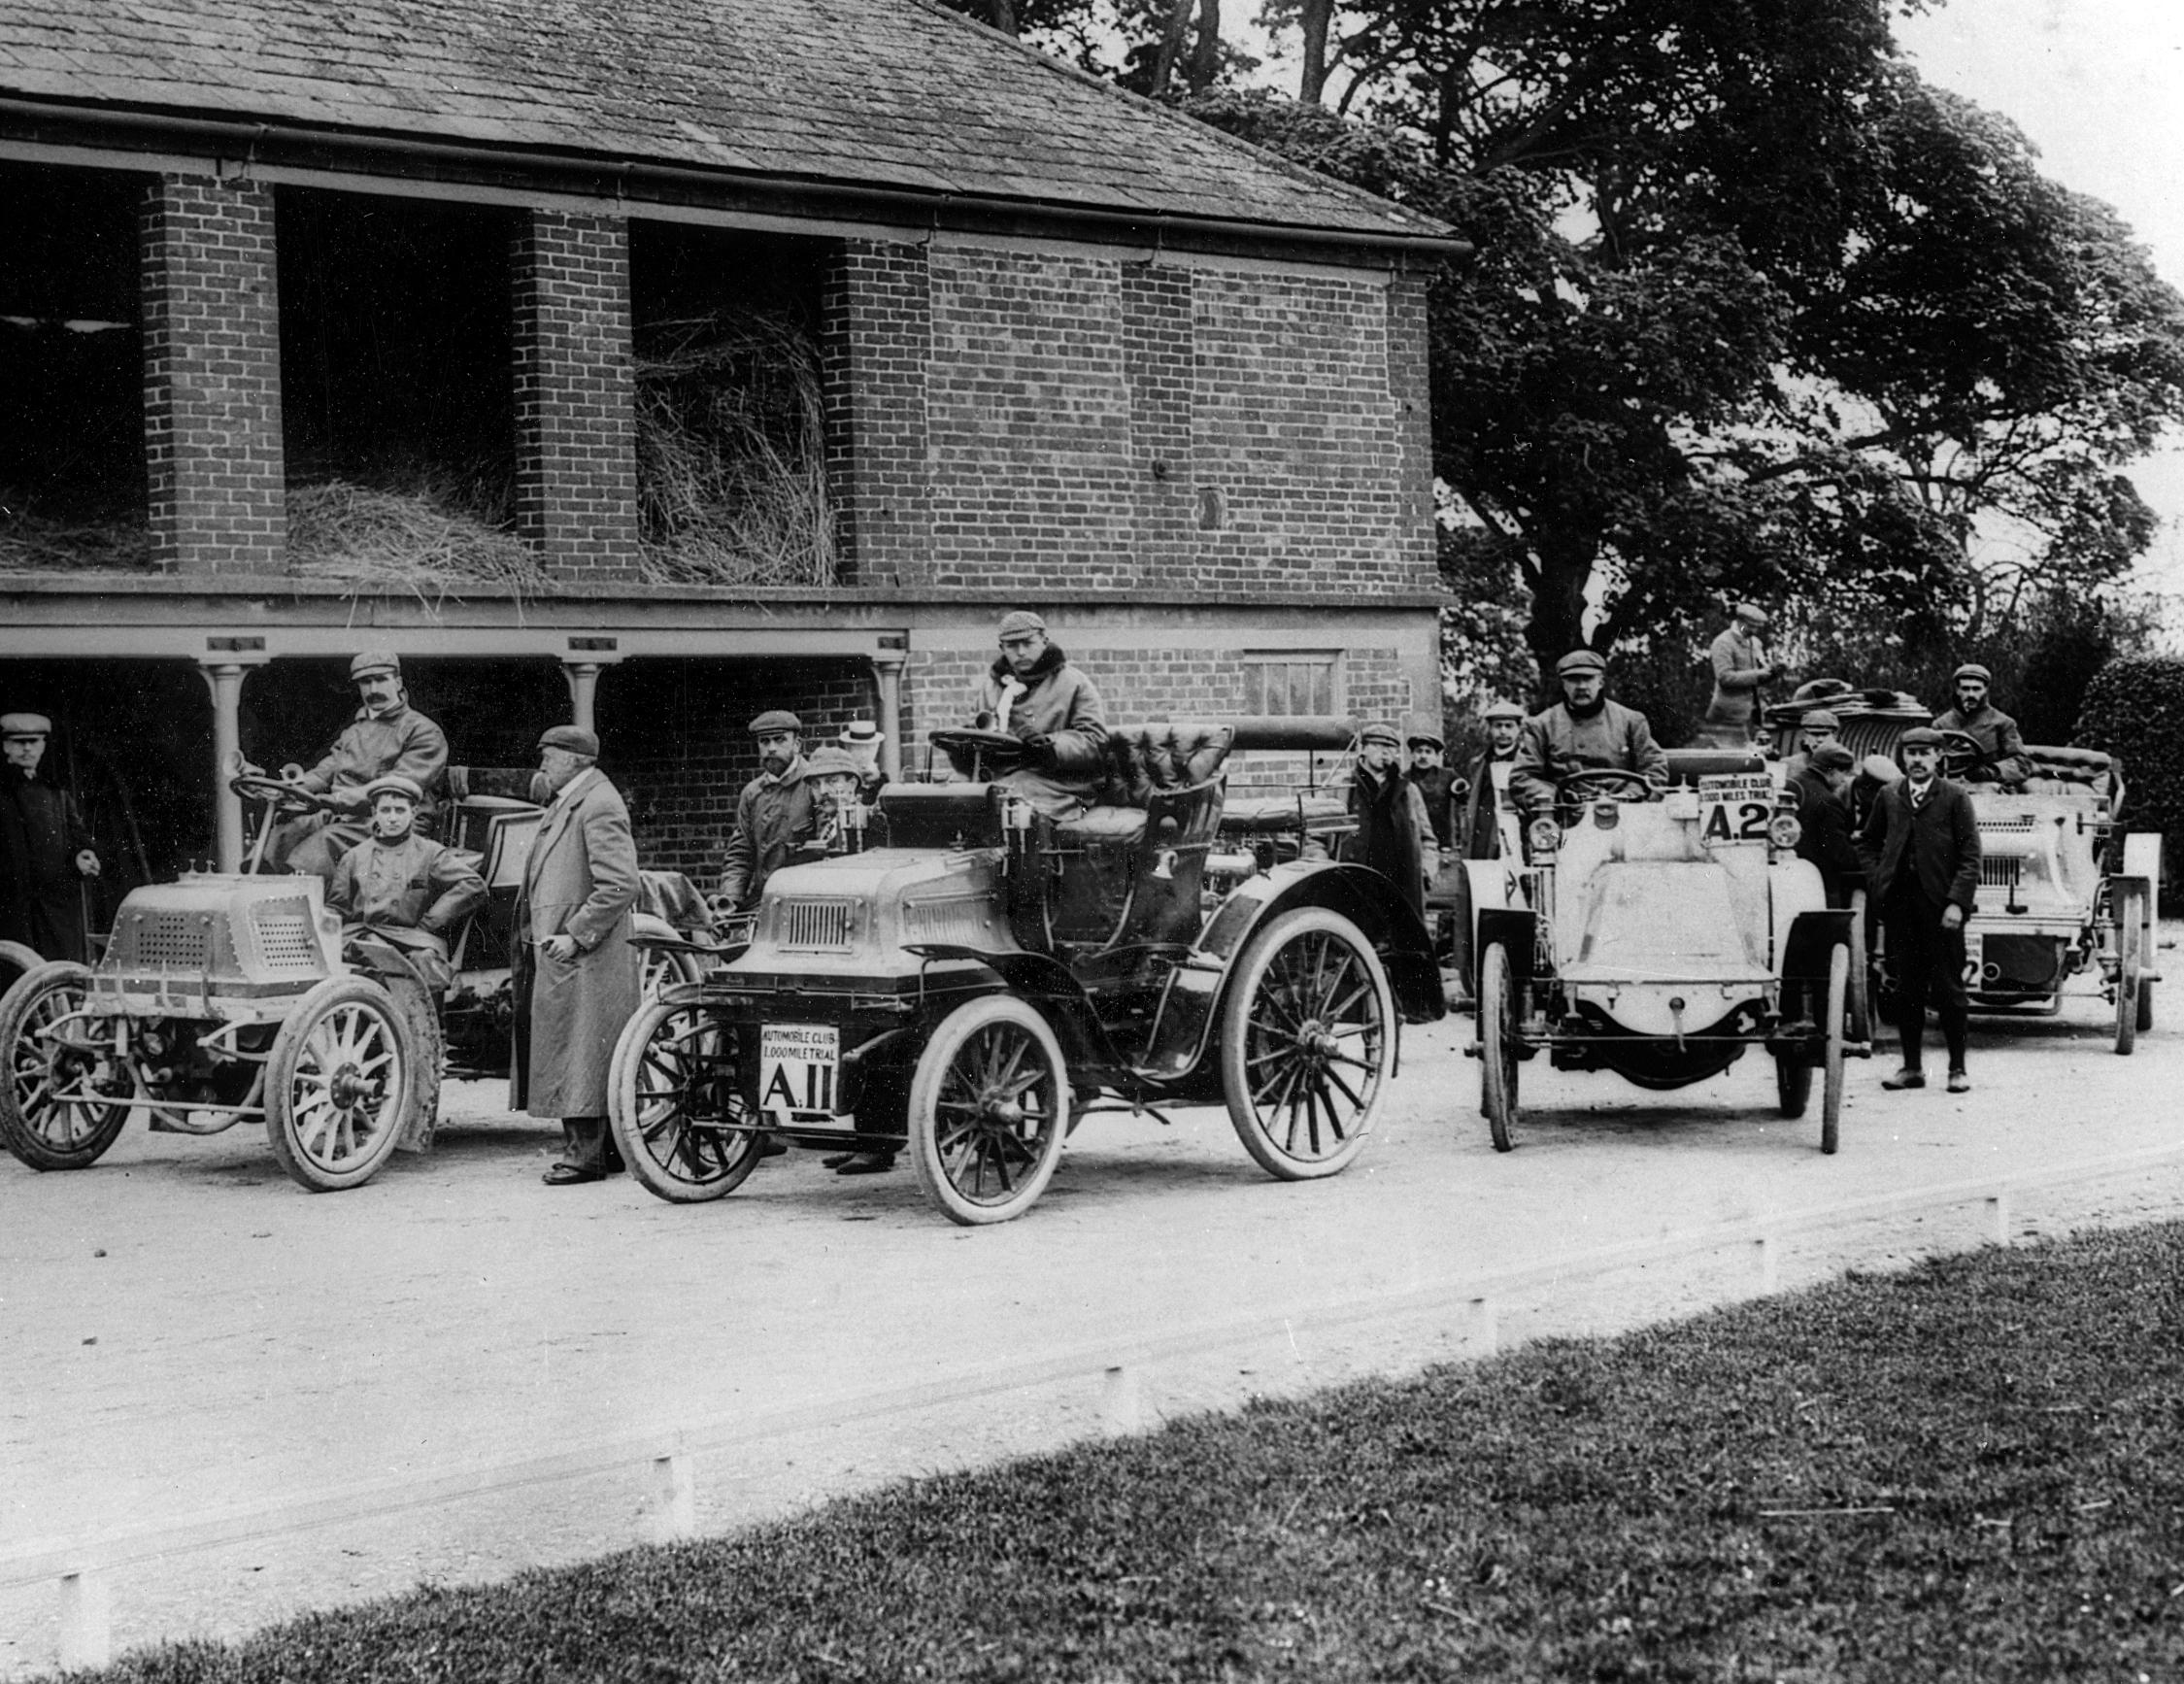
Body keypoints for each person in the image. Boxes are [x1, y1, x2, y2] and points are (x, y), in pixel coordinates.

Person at [513, 724, 644, 1186]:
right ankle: (603, 1153)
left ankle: (583, 1156)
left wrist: (576, 934)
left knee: (582, 1048)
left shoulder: (597, 803)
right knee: (579, 1045)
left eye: (550, 754)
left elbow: (620, 884)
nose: (543, 762)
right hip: (570, 953)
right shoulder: (573, 800)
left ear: (577, 760)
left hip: (585, 954)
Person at [1857, 725, 1981, 1095]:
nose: (1917, 760)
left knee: (1949, 989)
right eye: (1911, 753)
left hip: (1941, 908)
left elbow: (1970, 855)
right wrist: (1879, 877)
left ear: (1938, 757)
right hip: (1900, 907)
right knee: (1905, 990)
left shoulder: (1955, 797)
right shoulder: (1889, 794)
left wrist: (1957, 902)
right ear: (1903, 758)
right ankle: (1912, 1068)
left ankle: (1957, 1069)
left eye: (1925, 753)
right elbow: (1868, 842)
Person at [264, 651, 449, 881]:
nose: (373, 690)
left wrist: (335, 801)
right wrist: (287, 788)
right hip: (344, 817)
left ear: (398, 682)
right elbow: (324, 773)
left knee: (322, 844)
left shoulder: (422, 732)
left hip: (391, 820)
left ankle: (315, 908)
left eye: (381, 680)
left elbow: (394, 788)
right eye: (365, 682)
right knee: (286, 832)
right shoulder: (354, 731)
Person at [326, 775, 487, 992]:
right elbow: (336, 908)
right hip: (364, 934)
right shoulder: (354, 856)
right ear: (374, 813)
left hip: (412, 937)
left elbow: (472, 884)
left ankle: (426, 1022)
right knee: (378, 954)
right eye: (385, 810)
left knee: (425, 960)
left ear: (413, 812)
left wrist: (429, 923)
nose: (392, 818)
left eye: (400, 810)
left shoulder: (428, 852)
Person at [953, 610, 1109, 818]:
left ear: (1044, 641)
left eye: (1028, 643)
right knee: (954, 799)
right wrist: (964, 746)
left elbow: (1095, 741)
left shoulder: (1073, 682)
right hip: (999, 777)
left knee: (1006, 802)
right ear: (1002, 648)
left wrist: (1050, 746)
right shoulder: (991, 688)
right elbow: (975, 731)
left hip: (1060, 783)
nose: (1021, 652)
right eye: (1012, 646)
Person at [1510, 651, 1669, 818]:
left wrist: (1630, 796)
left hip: (1625, 817)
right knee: (1546, 839)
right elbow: (1521, 778)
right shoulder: (1542, 725)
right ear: (1564, 684)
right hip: (1565, 818)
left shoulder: (1631, 721)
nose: (1581, 686)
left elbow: (1654, 768)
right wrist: (1555, 796)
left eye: (1588, 678)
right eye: (1573, 679)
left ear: (1600, 682)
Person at [0, 712, 100, 964]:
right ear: (5, 747)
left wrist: (82, 853)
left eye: (33, 742)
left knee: (56, 969)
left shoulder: (55, 793)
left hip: (54, 905)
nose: (26, 749)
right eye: (18, 742)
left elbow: (77, 834)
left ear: (43, 746)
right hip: (12, 904)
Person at [717, 710, 818, 915]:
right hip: (764, 901)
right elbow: (740, 853)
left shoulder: (814, 785)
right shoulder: (753, 794)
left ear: (797, 744)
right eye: (765, 741)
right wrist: (731, 897)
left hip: (807, 902)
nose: (771, 748)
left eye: (780, 740)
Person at [1347, 722, 1432, 920]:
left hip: (1399, 885)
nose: (1384, 752)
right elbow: (1318, 838)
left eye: (1390, 748)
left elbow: (1428, 839)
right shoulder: (1345, 787)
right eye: (1377, 746)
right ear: (1364, 749)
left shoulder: (1408, 791)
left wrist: (1427, 869)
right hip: (1356, 882)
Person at [1787, 743, 1864, 909]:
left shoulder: (1791, 784)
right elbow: (1837, 852)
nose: (1844, 780)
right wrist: (1865, 858)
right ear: (1832, 771)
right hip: (1820, 883)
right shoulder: (1829, 801)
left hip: (1789, 878)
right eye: (1843, 773)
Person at [1931, 663, 2033, 786]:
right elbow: (1928, 759)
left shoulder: (2003, 723)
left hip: (1988, 786)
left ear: (1985, 690)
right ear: (1957, 690)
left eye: (1976, 689)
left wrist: (1989, 772)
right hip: (1949, 785)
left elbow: (2021, 764)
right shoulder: (1941, 724)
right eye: (1965, 689)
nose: (1971, 695)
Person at [1699, 603, 1783, 747]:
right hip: (1727, 717)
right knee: (1730, 760)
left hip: (1749, 716)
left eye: (1758, 627)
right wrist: (1758, 673)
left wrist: (1772, 673)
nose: (1755, 631)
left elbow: (1755, 679)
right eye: (1752, 626)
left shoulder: (1755, 643)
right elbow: (1725, 678)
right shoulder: (1723, 643)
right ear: (1740, 622)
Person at [1457, 700, 1527, 861]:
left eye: (1509, 726)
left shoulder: (1528, 762)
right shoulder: (1477, 764)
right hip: (1482, 837)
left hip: (1516, 835)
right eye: (1498, 726)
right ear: (1490, 729)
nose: (1503, 731)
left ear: (1518, 729)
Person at [1405, 732, 1460, 854]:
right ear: (1412, 754)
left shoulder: (1449, 776)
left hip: (1443, 842)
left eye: (1428, 752)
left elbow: (1465, 801)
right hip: (1414, 841)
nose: (1423, 756)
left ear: (1436, 756)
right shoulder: (1403, 779)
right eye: (1419, 751)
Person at [1780, 708, 1841, 783]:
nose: (1820, 740)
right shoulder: (1787, 765)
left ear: (1833, 737)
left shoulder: (1841, 767)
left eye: (1825, 734)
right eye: (1814, 734)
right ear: (1805, 736)